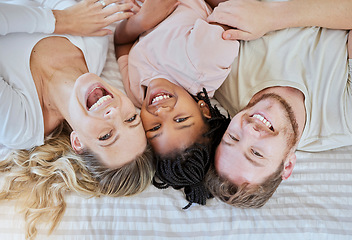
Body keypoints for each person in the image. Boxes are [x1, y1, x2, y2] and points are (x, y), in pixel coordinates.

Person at [0, 0, 157, 238]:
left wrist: (60, 20)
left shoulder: (20, 124)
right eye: (130, 119)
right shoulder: (95, 38)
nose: (113, 113)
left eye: (106, 136)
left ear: (78, 143)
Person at [203, 0, 352, 208]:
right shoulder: (344, 117)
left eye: (233, 137)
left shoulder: (222, 77)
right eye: (257, 153)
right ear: (288, 165)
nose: (250, 130)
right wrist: (271, 17)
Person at [114, 0, 235, 208]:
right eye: (180, 119)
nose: (161, 112)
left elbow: (121, 43)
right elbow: (231, 8)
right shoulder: (205, 61)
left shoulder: (137, 94)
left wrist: (141, 21)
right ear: (204, 109)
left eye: (155, 127)